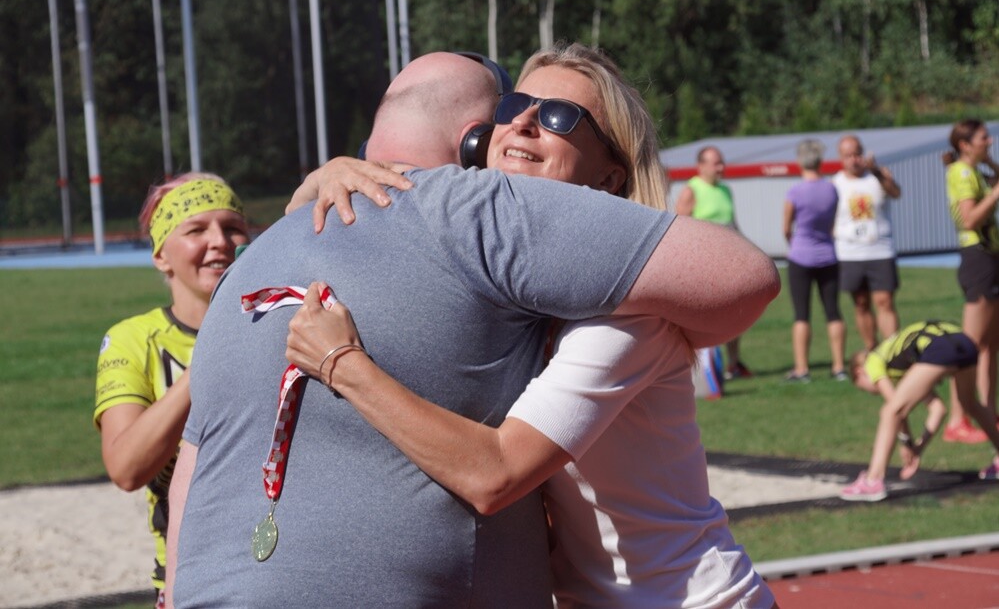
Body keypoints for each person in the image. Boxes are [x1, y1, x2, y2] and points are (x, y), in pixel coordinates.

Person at [166, 51, 779, 608]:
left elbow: (495, 476)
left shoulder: (624, 317)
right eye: (514, 107)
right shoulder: (518, 297)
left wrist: (343, 365)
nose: (525, 124)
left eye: (562, 117)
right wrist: (329, 178)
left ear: (611, 178)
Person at [93, 173, 249, 606]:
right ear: (161, 256)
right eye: (196, 229)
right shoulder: (133, 339)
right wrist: (207, 360)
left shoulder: (279, 320)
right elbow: (126, 467)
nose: (219, 241)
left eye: (232, 227)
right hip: (191, 580)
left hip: (284, 571)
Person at [841, 320, 999, 501]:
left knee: (888, 412)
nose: (872, 391)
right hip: (964, 342)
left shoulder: (873, 362)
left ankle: (872, 480)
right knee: (971, 404)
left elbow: (895, 410)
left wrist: (906, 443)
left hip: (939, 347)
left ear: (860, 372)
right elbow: (938, 409)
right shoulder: (905, 363)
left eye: (863, 388)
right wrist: (918, 449)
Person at [943, 119, 999, 443]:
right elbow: (969, 218)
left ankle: (988, 412)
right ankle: (957, 419)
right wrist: (994, 195)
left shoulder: (973, 169)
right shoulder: (962, 173)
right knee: (971, 345)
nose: (989, 142)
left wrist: (988, 163)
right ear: (965, 145)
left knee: (992, 344)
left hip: (990, 257)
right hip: (977, 257)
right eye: (983, 138)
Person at [676, 145, 753, 380]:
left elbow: (733, 225)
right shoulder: (692, 190)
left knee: (736, 314)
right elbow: (679, 230)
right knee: (710, 317)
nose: (721, 167)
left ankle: (733, 363)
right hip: (703, 267)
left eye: (722, 162)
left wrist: (750, 251)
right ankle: (710, 368)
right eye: (716, 163)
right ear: (701, 166)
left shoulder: (726, 190)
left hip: (729, 265)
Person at [783, 138, 845, 382]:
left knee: (801, 314)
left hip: (801, 257)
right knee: (833, 312)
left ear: (800, 161)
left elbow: (786, 227)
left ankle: (802, 369)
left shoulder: (795, 191)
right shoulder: (831, 189)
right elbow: (831, 223)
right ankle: (839, 366)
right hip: (828, 255)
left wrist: (796, 243)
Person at [832, 135, 901, 351]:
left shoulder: (877, 176)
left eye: (857, 154)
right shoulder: (835, 184)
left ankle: (892, 351)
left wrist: (879, 172)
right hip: (850, 253)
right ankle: (872, 348)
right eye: (848, 156)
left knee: (885, 301)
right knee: (861, 304)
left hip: (880, 250)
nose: (854, 159)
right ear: (841, 158)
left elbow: (896, 193)